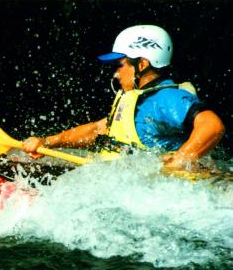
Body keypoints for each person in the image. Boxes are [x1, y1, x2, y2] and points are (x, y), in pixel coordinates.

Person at [22, 25, 225, 170]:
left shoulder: (167, 98)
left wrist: (178, 162)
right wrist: (47, 141)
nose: (115, 74)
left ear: (142, 64)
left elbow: (212, 126)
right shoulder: (131, 97)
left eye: (119, 65)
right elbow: (97, 129)